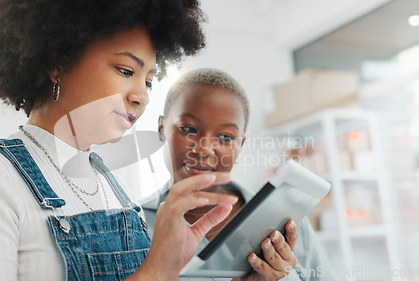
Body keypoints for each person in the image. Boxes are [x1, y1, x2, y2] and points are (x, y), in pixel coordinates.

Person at [0, 2, 241, 281]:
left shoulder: (114, 190)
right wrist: (154, 273)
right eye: (125, 70)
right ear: (57, 63)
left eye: (148, 81)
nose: (141, 96)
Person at [143, 68, 335, 281]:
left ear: (240, 145)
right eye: (189, 129)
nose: (204, 149)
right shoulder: (130, 226)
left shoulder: (287, 222)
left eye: (225, 137)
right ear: (161, 128)